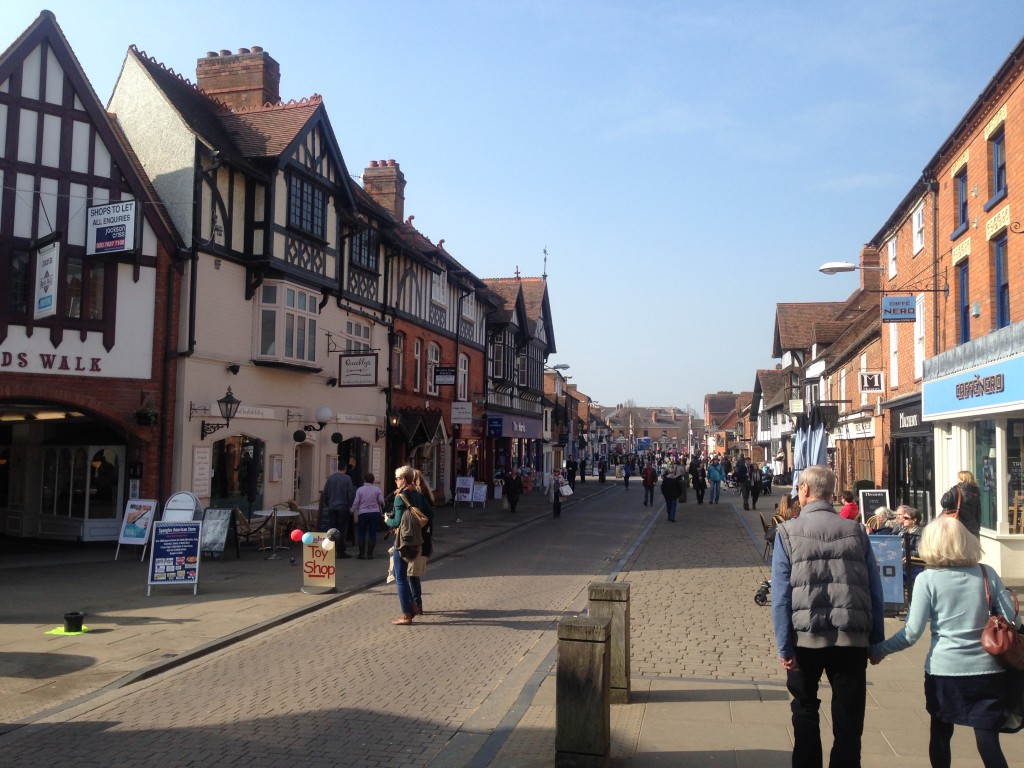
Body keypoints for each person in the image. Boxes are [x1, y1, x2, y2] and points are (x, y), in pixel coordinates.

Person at [870, 515, 1020, 768]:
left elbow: (912, 632)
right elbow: (1011, 621)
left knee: (940, 735)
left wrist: (878, 650)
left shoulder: (928, 580)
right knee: (988, 740)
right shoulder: (987, 573)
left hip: (945, 672)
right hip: (989, 671)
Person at [771, 465, 885, 768]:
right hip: (851, 639)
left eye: (798, 488)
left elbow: (781, 596)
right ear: (830, 493)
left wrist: (784, 646)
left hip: (804, 639)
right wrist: (876, 641)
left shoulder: (786, 532)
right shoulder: (858, 531)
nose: (797, 493)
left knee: (805, 711)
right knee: (849, 722)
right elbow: (875, 589)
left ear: (806, 491)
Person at [386, 465, 433, 624]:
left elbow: (397, 521)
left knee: (400, 577)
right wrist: (418, 528)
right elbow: (430, 514)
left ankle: (406, 614)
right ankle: (415, 604)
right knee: (411, 576)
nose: (395, 481)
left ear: (404, 479)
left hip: (403, 541)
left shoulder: (400, 497)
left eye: (397, 478)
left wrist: (387, 520)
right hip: (418, 540)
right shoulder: (418, 494)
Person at [408, 469, 436, 616]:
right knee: (413, 574)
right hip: (424, 539)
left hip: (414, 539)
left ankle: (415, 604)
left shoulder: (416, 497)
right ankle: (416, 603)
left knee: (411, 574)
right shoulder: (427, 495)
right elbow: (431, 518)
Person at [320, 464, 354, 558]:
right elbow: (350, 493)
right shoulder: (347, 479)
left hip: (332, 507)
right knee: (342, 529)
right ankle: (340, 551)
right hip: (343, 507)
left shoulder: (331, 478)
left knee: (332, 529)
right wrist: (350, 505)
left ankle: (330, 549)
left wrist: (327, 504)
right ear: (345, 468)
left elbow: (325, 492)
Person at [351, 472, 384, 560]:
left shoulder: (360, 490)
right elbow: (381, 501)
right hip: (374, 513)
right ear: (373, 480)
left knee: (362, 532)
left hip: (363, 513)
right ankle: (370, 554)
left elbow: (356, 502)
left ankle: (361, 554)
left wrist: (352, 510)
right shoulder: (377, 489)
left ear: (364, 480)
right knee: (372, 533)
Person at [940, 470, 982, 538]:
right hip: (972, 529)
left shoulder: (955, 490)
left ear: (962, 479)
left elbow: (944, 503)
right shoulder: (976, 493)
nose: (957, 480)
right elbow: (978, 514)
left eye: (958, 478)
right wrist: (976, 529)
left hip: (956, 527)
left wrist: (947, 493)